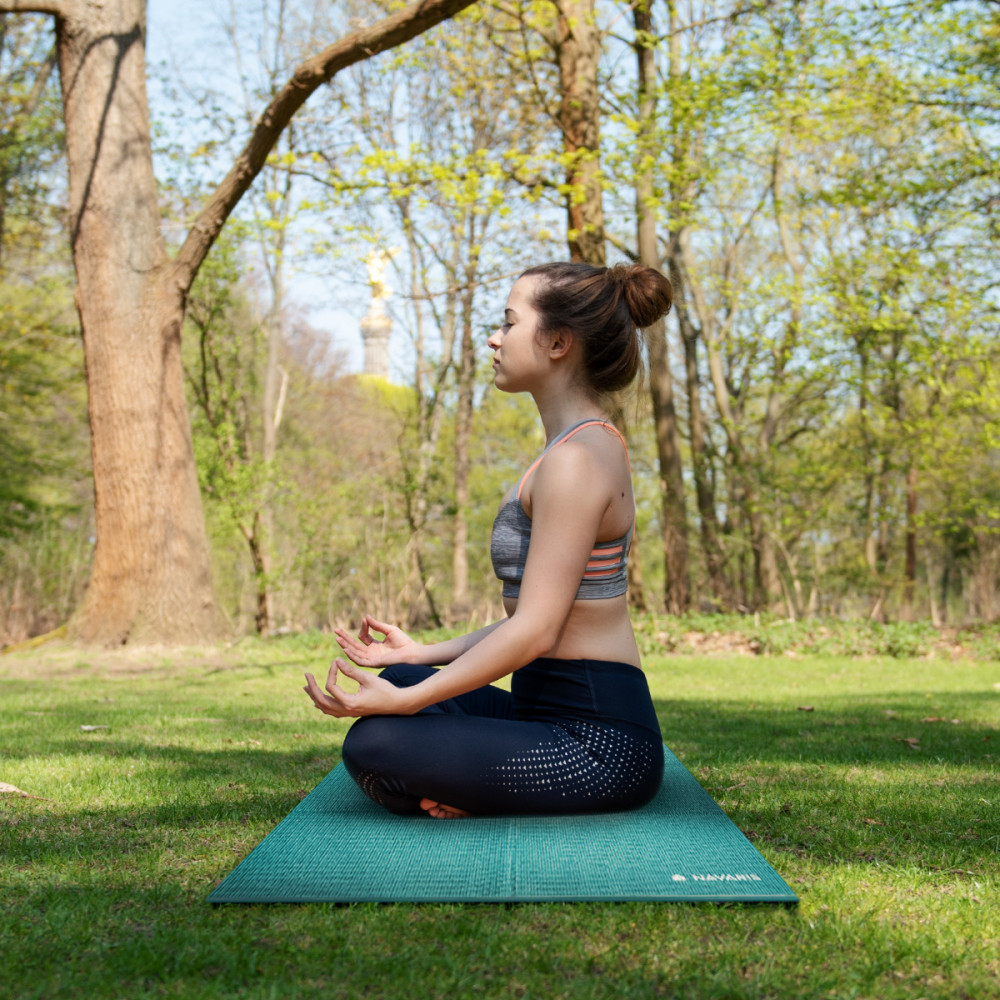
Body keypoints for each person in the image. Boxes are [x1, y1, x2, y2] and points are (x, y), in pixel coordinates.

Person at [304, 260, 673, 818]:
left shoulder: (578, 460)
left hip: (598, 747)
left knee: (376, 743)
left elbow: (536, 630)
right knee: (401, 676)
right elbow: (536, 616)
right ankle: (471, 782)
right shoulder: (569, 449)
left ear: (558, 343)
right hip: (538, 714)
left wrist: (408, 702)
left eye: (509, 322)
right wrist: (418, 655)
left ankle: (475, 787)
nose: (495, 339)